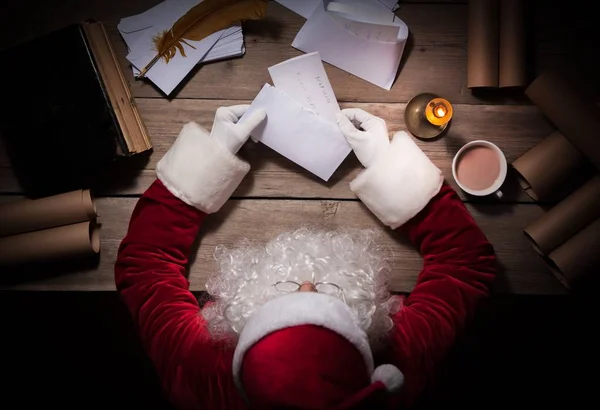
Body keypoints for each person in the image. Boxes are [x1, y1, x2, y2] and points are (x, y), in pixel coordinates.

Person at [115, 105, 496, 409]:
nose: (309, 284)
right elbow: (464, 261)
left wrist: (207, 161)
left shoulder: (201, 378)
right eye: (323, 302)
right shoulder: (394, 372)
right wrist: (389, 166)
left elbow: (146, 263)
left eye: (291, 300)